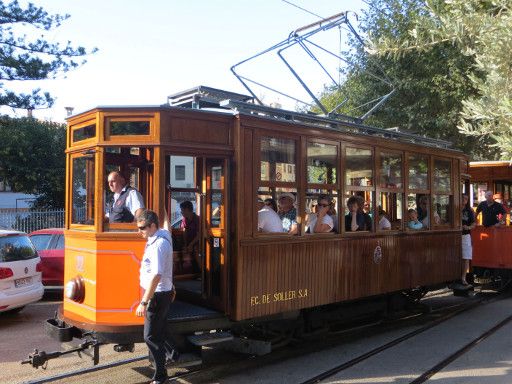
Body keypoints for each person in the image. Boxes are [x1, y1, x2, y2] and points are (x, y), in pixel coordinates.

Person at [135, 210, 174, 384]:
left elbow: (156, 275)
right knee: (157, 332)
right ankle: (172, 355)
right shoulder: (163, 234)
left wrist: (144, 301)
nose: (139, 231)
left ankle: (161, 376)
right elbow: (166, 225)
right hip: (161, 293)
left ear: (152, 226)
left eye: (142, 228)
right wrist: (164, 210)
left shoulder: (159, 245)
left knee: (150, 336)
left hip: (157, 295)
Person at [180, 201, 201, 273]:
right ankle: (186, 272)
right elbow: (184, 232)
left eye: (182, 210)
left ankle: (202, 272)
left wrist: (191, 245)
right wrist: (186, 245)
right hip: (189, 243)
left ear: (187, 210)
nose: (181, 212)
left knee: (196, 249)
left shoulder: (198, 219)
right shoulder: (184, 220)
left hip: (198, 243)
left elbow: (199, 235)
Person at [461, 194, 476, 285]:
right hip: (455, 235)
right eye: (463, 198)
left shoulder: (469, 211)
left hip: (465, 235)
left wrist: (468, 227)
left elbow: (474, 224)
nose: (464, 200)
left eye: (466, 199)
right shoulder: (454, 208)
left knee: (466, 257)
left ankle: (463, 278)